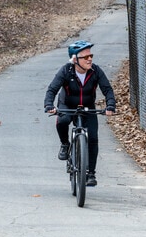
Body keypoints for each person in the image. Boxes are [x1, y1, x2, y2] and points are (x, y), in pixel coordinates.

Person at [44, 40, 116, 186]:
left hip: (87, 107)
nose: (90, 59)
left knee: (93, 138)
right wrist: (49, 105)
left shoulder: (96, 71)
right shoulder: (66, 70)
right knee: (63, 121)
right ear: (75, 60)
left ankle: (91, 174)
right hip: (67, 104)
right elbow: (52, 89)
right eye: (85, 57)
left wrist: (110, 106)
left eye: (91, 56)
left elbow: (107, 89)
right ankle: (65, 144)